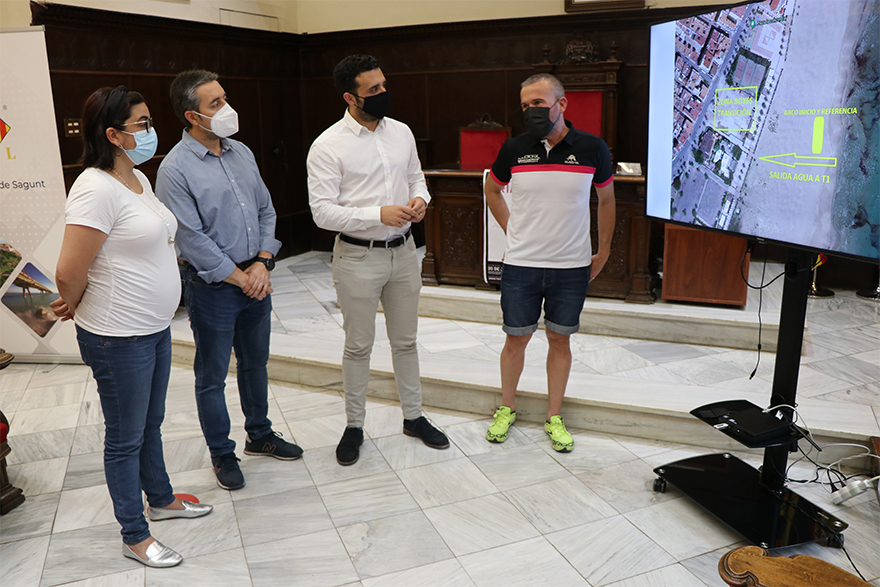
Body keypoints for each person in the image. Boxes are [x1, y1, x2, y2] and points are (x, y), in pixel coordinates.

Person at [52, 86, 212, 568]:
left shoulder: (137, 178)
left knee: (151, 423)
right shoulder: (94, 187)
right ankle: (134, 532)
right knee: (124, 437)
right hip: (117, 334)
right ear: (113, 135)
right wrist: (76, 305)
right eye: (141, 124)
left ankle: (160, 499)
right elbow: (67, 271)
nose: (150, 130)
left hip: (154, 327)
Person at [155, 70, 301, 491]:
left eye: (225, 98)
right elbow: (191, 238)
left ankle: (260, 435)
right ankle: (222, 453)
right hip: (214, 287)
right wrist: (241, 277)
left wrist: (262, 264)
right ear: (192, 115)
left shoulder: (242, 152)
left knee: (256, 364)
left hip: (256, 275)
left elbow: (267, 211)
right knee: (212, 375)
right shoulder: (175, 168)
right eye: (215, 103)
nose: (227, 108)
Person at [307, 54, 449, 466]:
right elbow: (322, 212)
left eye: (384, 85)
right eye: (374, 90)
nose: (383, 94)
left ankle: (414, 416)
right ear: (351, 97)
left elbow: (417, 177)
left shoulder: (400, 132)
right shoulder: (328, 145)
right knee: (358, 346)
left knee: (405, 341)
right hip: (357, 256)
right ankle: (354, 425)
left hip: (403, 252)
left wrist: (421, 199)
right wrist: (377, 214)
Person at [484, 73, 616, 452]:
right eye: (525, 105)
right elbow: (493, 189)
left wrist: (603, 251)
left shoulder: (592, 148)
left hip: (571, 266)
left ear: (562, 104)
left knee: (560, 339)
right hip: (522, 265)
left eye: (538, 103)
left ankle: (553, 415)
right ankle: (507, 407)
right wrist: (513, 231)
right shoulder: (514, 148)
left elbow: (607, 200)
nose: (531, 111)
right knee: (516, 339)